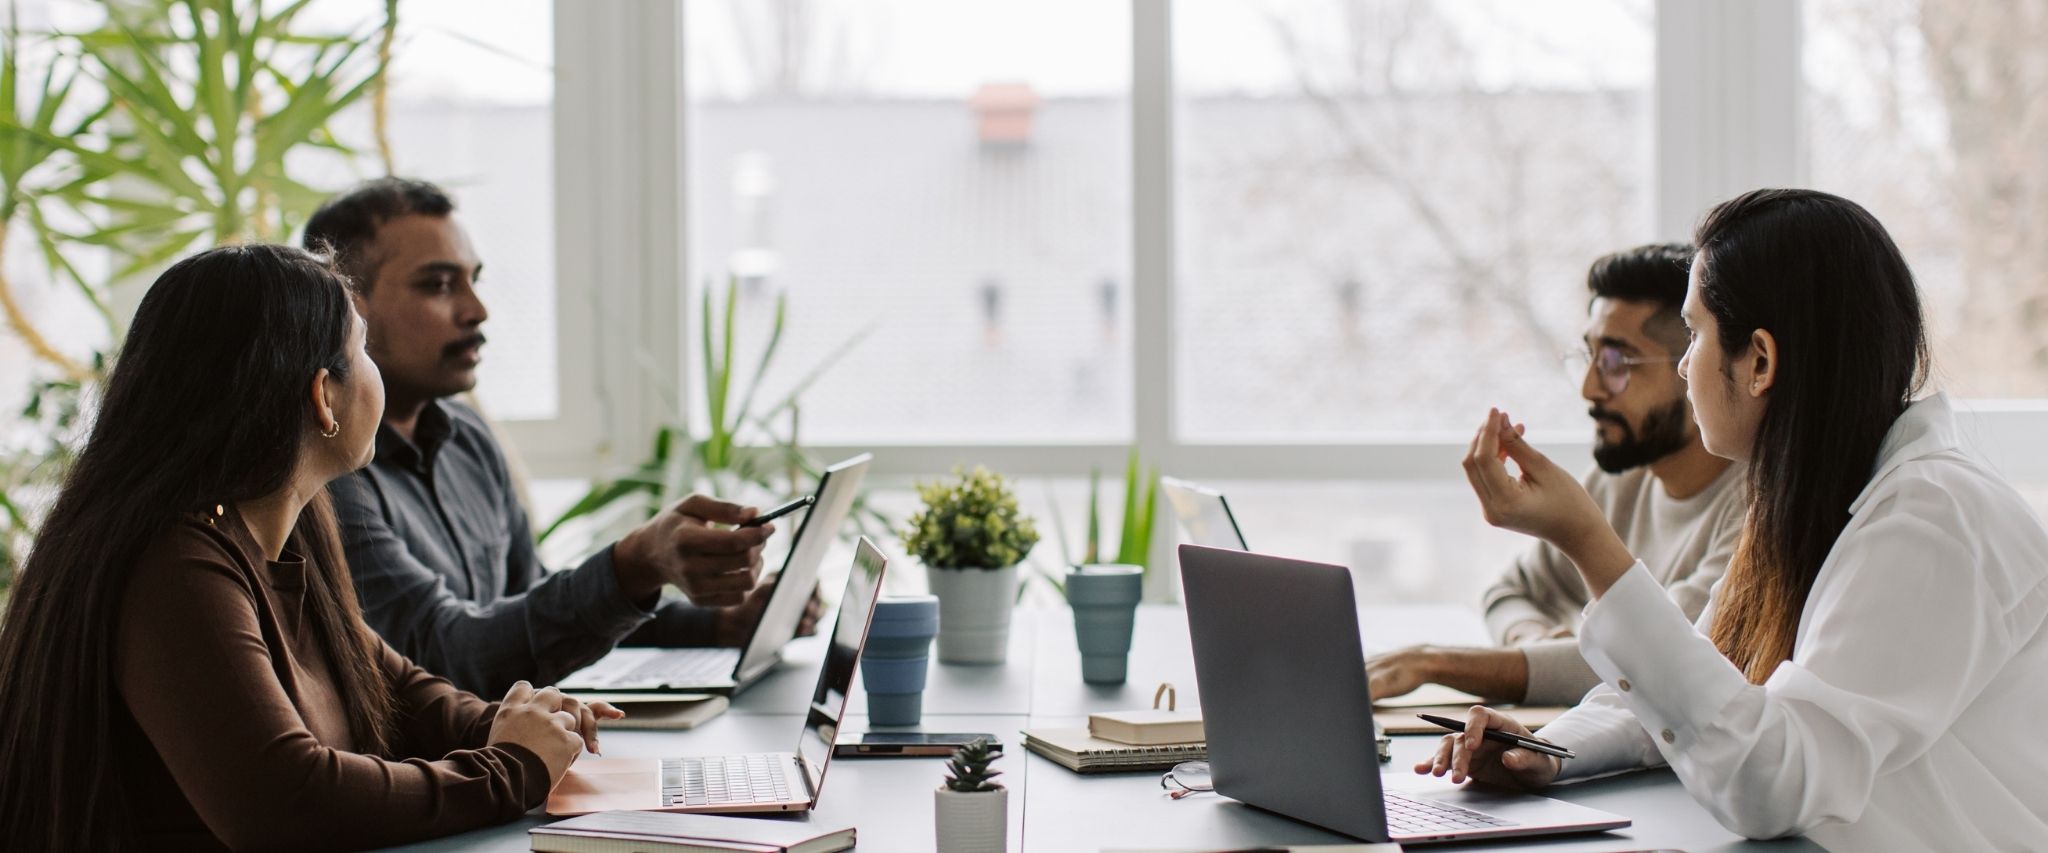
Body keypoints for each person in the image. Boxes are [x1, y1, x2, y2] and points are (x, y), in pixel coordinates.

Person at [1426, 189, 2048, 849]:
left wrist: (1590, 543)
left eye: (1693, 334)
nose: (1685, 364)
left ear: (1759, 361)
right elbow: (1707, 678)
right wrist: (1545, 749)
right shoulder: (1811, 498)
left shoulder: (1932, 519)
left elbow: (1774, 781)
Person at [0, 245, 618, 850]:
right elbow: (286, 801)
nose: (377, 371)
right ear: (324, 395)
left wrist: (524, 725)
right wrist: (512, 766)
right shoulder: (176, 567)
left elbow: (396, 689)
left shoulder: (282, 535)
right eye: (365, 349)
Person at [304, 178, 814, 697]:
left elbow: (531, 612)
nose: (477, 310)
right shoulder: (326, 473)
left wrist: (720, 624)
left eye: (473, 280)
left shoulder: (468, 438)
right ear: (348, 307)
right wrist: (632, 565)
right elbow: (444, 658)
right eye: (438, 285)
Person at [1368, 244, 1746, 706]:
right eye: (1587, 357)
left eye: (1616, 363)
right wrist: (1535, 637)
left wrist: (1429, 664)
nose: (1589, 387)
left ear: (1693, 364)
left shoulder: (1754, 509)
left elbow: (1656, 661)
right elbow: (1508, 591)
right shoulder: (1620, 480)